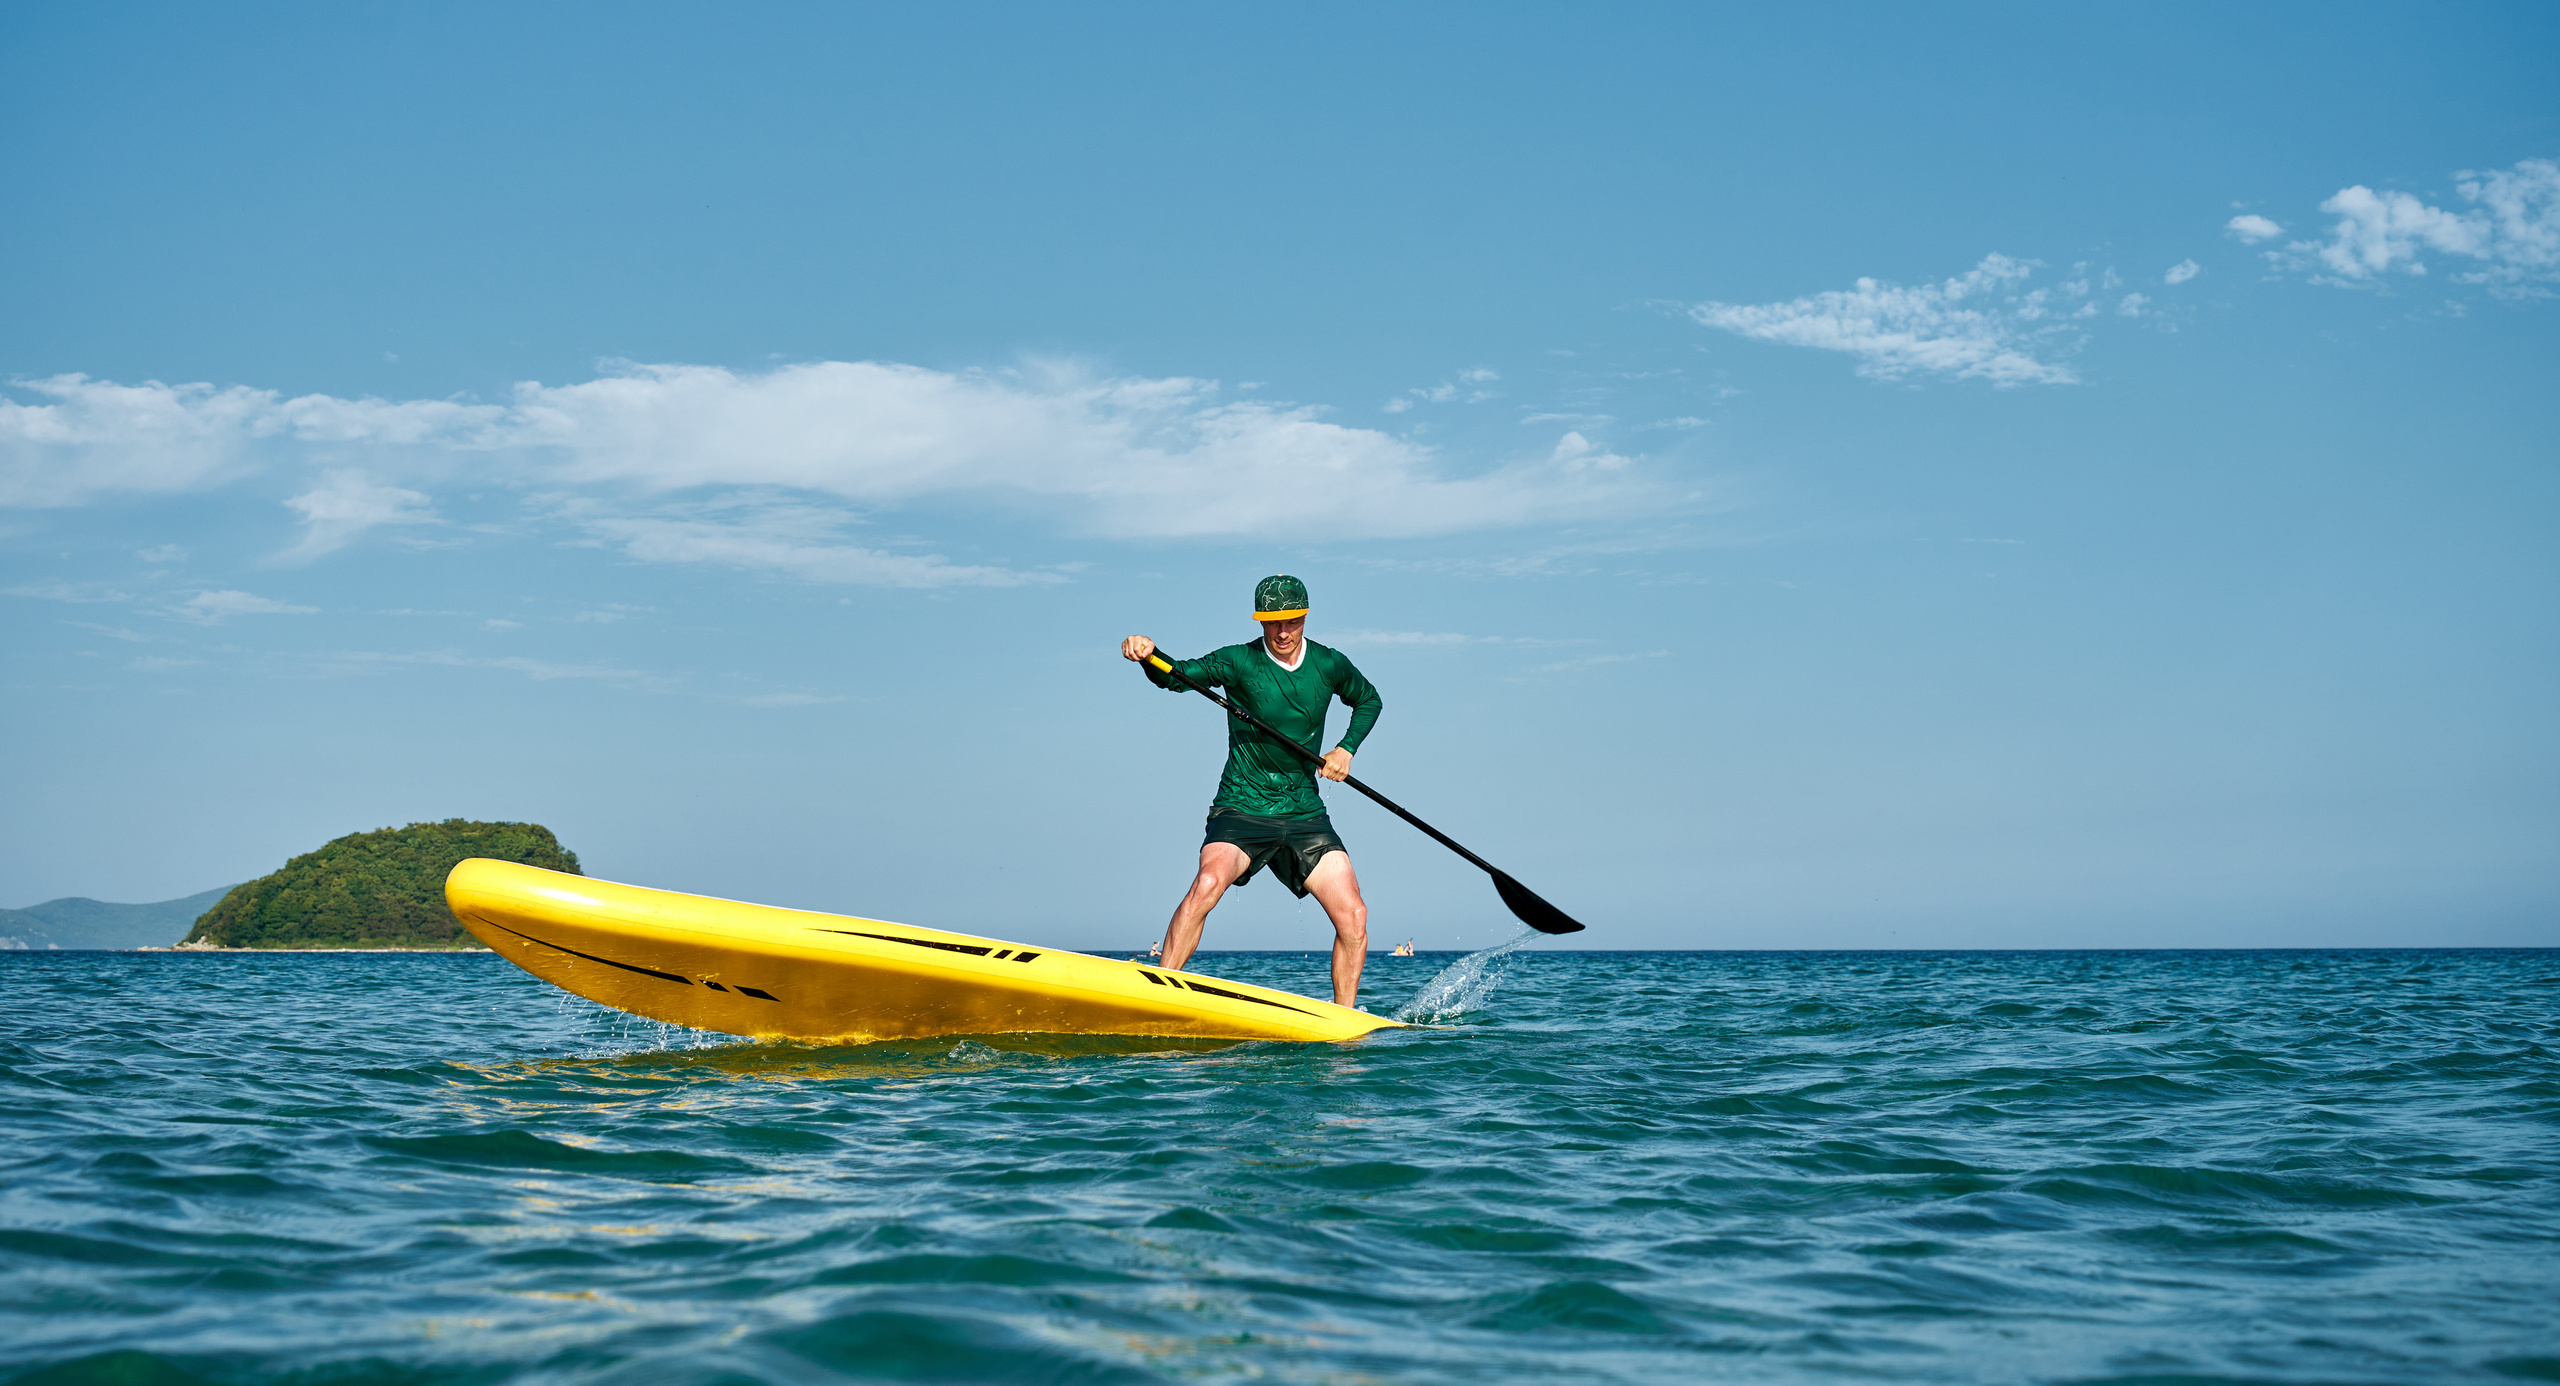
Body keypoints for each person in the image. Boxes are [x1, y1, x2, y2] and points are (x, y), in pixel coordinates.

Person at [1119, 575, 1383, 1007]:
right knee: (1207, 883)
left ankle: (1345, 1020)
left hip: (1303, 812)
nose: (1283, 632)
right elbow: (1177, 677)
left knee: (1354, 915)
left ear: (1304, 618)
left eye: (1292, 621)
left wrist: (1346, 749)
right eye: (1273, 622)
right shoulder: (1238, 661)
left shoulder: (1329, 664)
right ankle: (1159, 992)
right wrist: (1150, 655)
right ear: (1260, 621)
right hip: (1242, 805)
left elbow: (1369, 699)